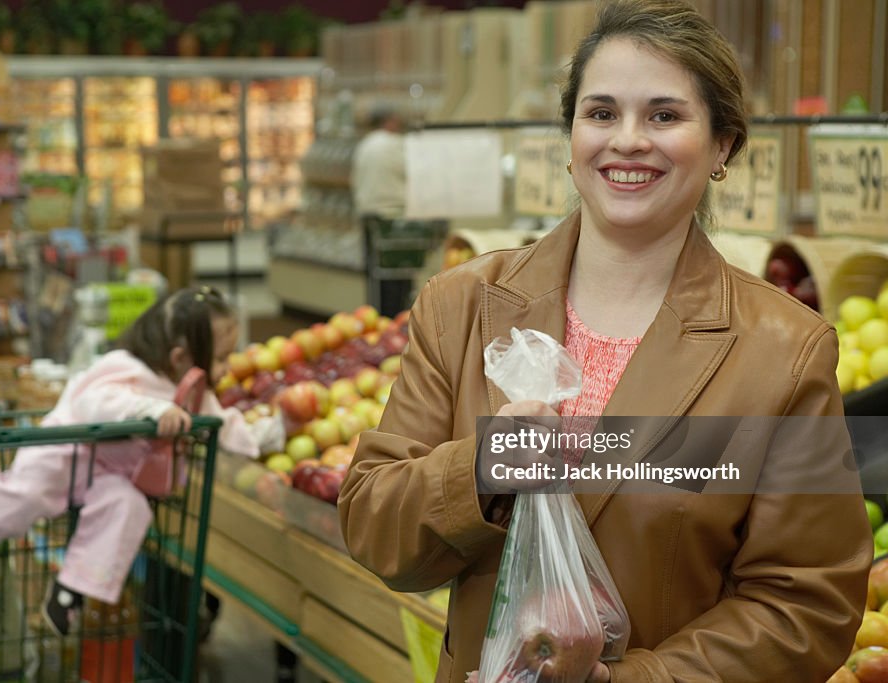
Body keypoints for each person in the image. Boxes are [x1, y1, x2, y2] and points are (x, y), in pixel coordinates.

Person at [338, 2, 871, 682]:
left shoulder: (784, 352)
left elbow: (807, 605)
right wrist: (480, 469)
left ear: (723, 146)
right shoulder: (462, 306)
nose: (627, 140)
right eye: (600, 113)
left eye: (664, 116)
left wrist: (633, 678)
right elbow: (373, 526)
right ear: (570, 137)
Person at [0, 285, 266, 637]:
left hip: (110, 475)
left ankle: (71, 589)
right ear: (180, 356)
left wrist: (263, 437)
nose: (227, 368)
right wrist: (152, 410)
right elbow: (95, 403)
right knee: (18, 498)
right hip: (61, 454)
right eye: (222, 359)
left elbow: (224, 424)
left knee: (129, 507)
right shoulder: (124, 368)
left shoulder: (191, 390)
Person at [351, 105, 407, 218]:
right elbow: (410, 171)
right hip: (391, 211)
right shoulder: (394, 142)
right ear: (388, 122)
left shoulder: (364, 144)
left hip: (366, 210)